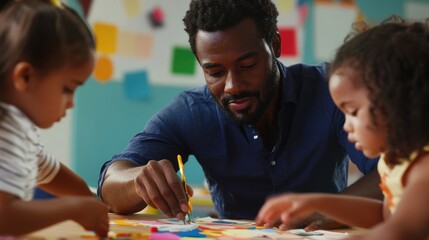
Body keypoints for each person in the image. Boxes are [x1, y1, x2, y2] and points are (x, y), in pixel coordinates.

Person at [98, 0, 381, 229]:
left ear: (276, 46)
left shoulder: (331, 90)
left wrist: (323, 210)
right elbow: (110, 185)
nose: (232, 85)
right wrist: (137, 181)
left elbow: (397, 172)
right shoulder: (191, 112)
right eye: (215, 72)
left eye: (247, 65)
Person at [256, 16, 429, 239]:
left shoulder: (423, 171)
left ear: (400, 103)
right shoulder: (392, 164)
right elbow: (384, 215)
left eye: (354, 112)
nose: (347, 126)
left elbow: (398, 231)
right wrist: (316, 203)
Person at [0, 0, 108, 237]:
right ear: (25, 76)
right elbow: (3, 218)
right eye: (68, 89)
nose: (71, 103)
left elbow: (49, 171)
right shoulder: (6, 131)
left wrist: (94, 203)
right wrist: (73, 209)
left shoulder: (18, 132)